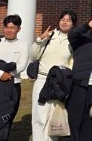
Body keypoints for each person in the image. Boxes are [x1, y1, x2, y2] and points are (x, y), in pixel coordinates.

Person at [29, 9, 75, 141]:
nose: (65, 22)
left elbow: (72, 63)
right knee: (39, 117)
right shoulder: (50, 35)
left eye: (68, 20)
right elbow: (33, 56)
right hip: (42, 80)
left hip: (60, 83)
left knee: (53, 118)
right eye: (62, 19)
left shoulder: (73, 41)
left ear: (73, 24)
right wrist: (40, 39)